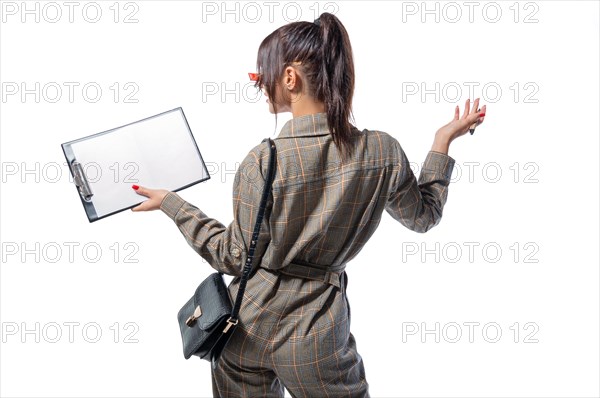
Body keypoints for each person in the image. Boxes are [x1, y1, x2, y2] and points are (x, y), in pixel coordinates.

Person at [130, 12, 486, 398]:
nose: (259, 84)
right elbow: (424, 217)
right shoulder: (382, 152)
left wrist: (172, 204)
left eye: (260, 75)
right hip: (316, 334)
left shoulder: (263, 161)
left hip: (244, 327)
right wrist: (441, 141)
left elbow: (233, 257)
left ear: (289, 78)